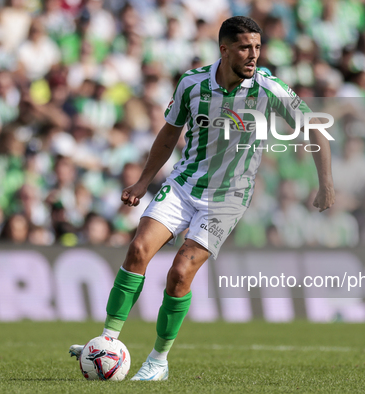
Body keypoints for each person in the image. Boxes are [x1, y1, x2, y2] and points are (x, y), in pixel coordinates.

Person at [68, 16, 335, 381]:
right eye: (245, 48)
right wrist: (143, 181)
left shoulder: (268, 89)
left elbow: (315, 126)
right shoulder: (192, 84)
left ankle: (158, 360)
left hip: (227, 199)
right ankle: (106, 342)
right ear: (224, 50)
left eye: (257, 47)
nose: (253, 55)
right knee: (138, 251)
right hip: (183, 185)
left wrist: (326, 183)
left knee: (179, 274)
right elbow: (168, 134)